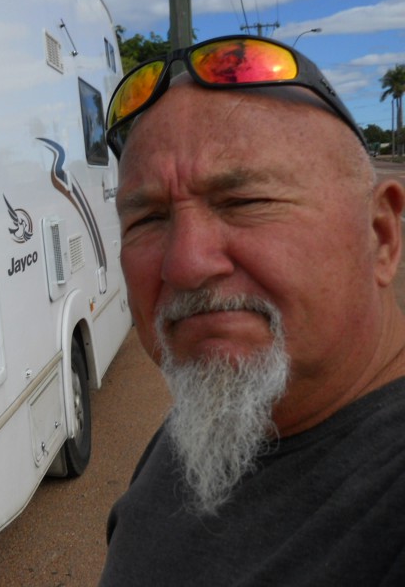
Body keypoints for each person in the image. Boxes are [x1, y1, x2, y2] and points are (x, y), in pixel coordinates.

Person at [98, 35, 405, 586]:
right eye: (147, 219)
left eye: (244, 202)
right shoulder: (210, 426)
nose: (185, 265)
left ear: (380, 236)